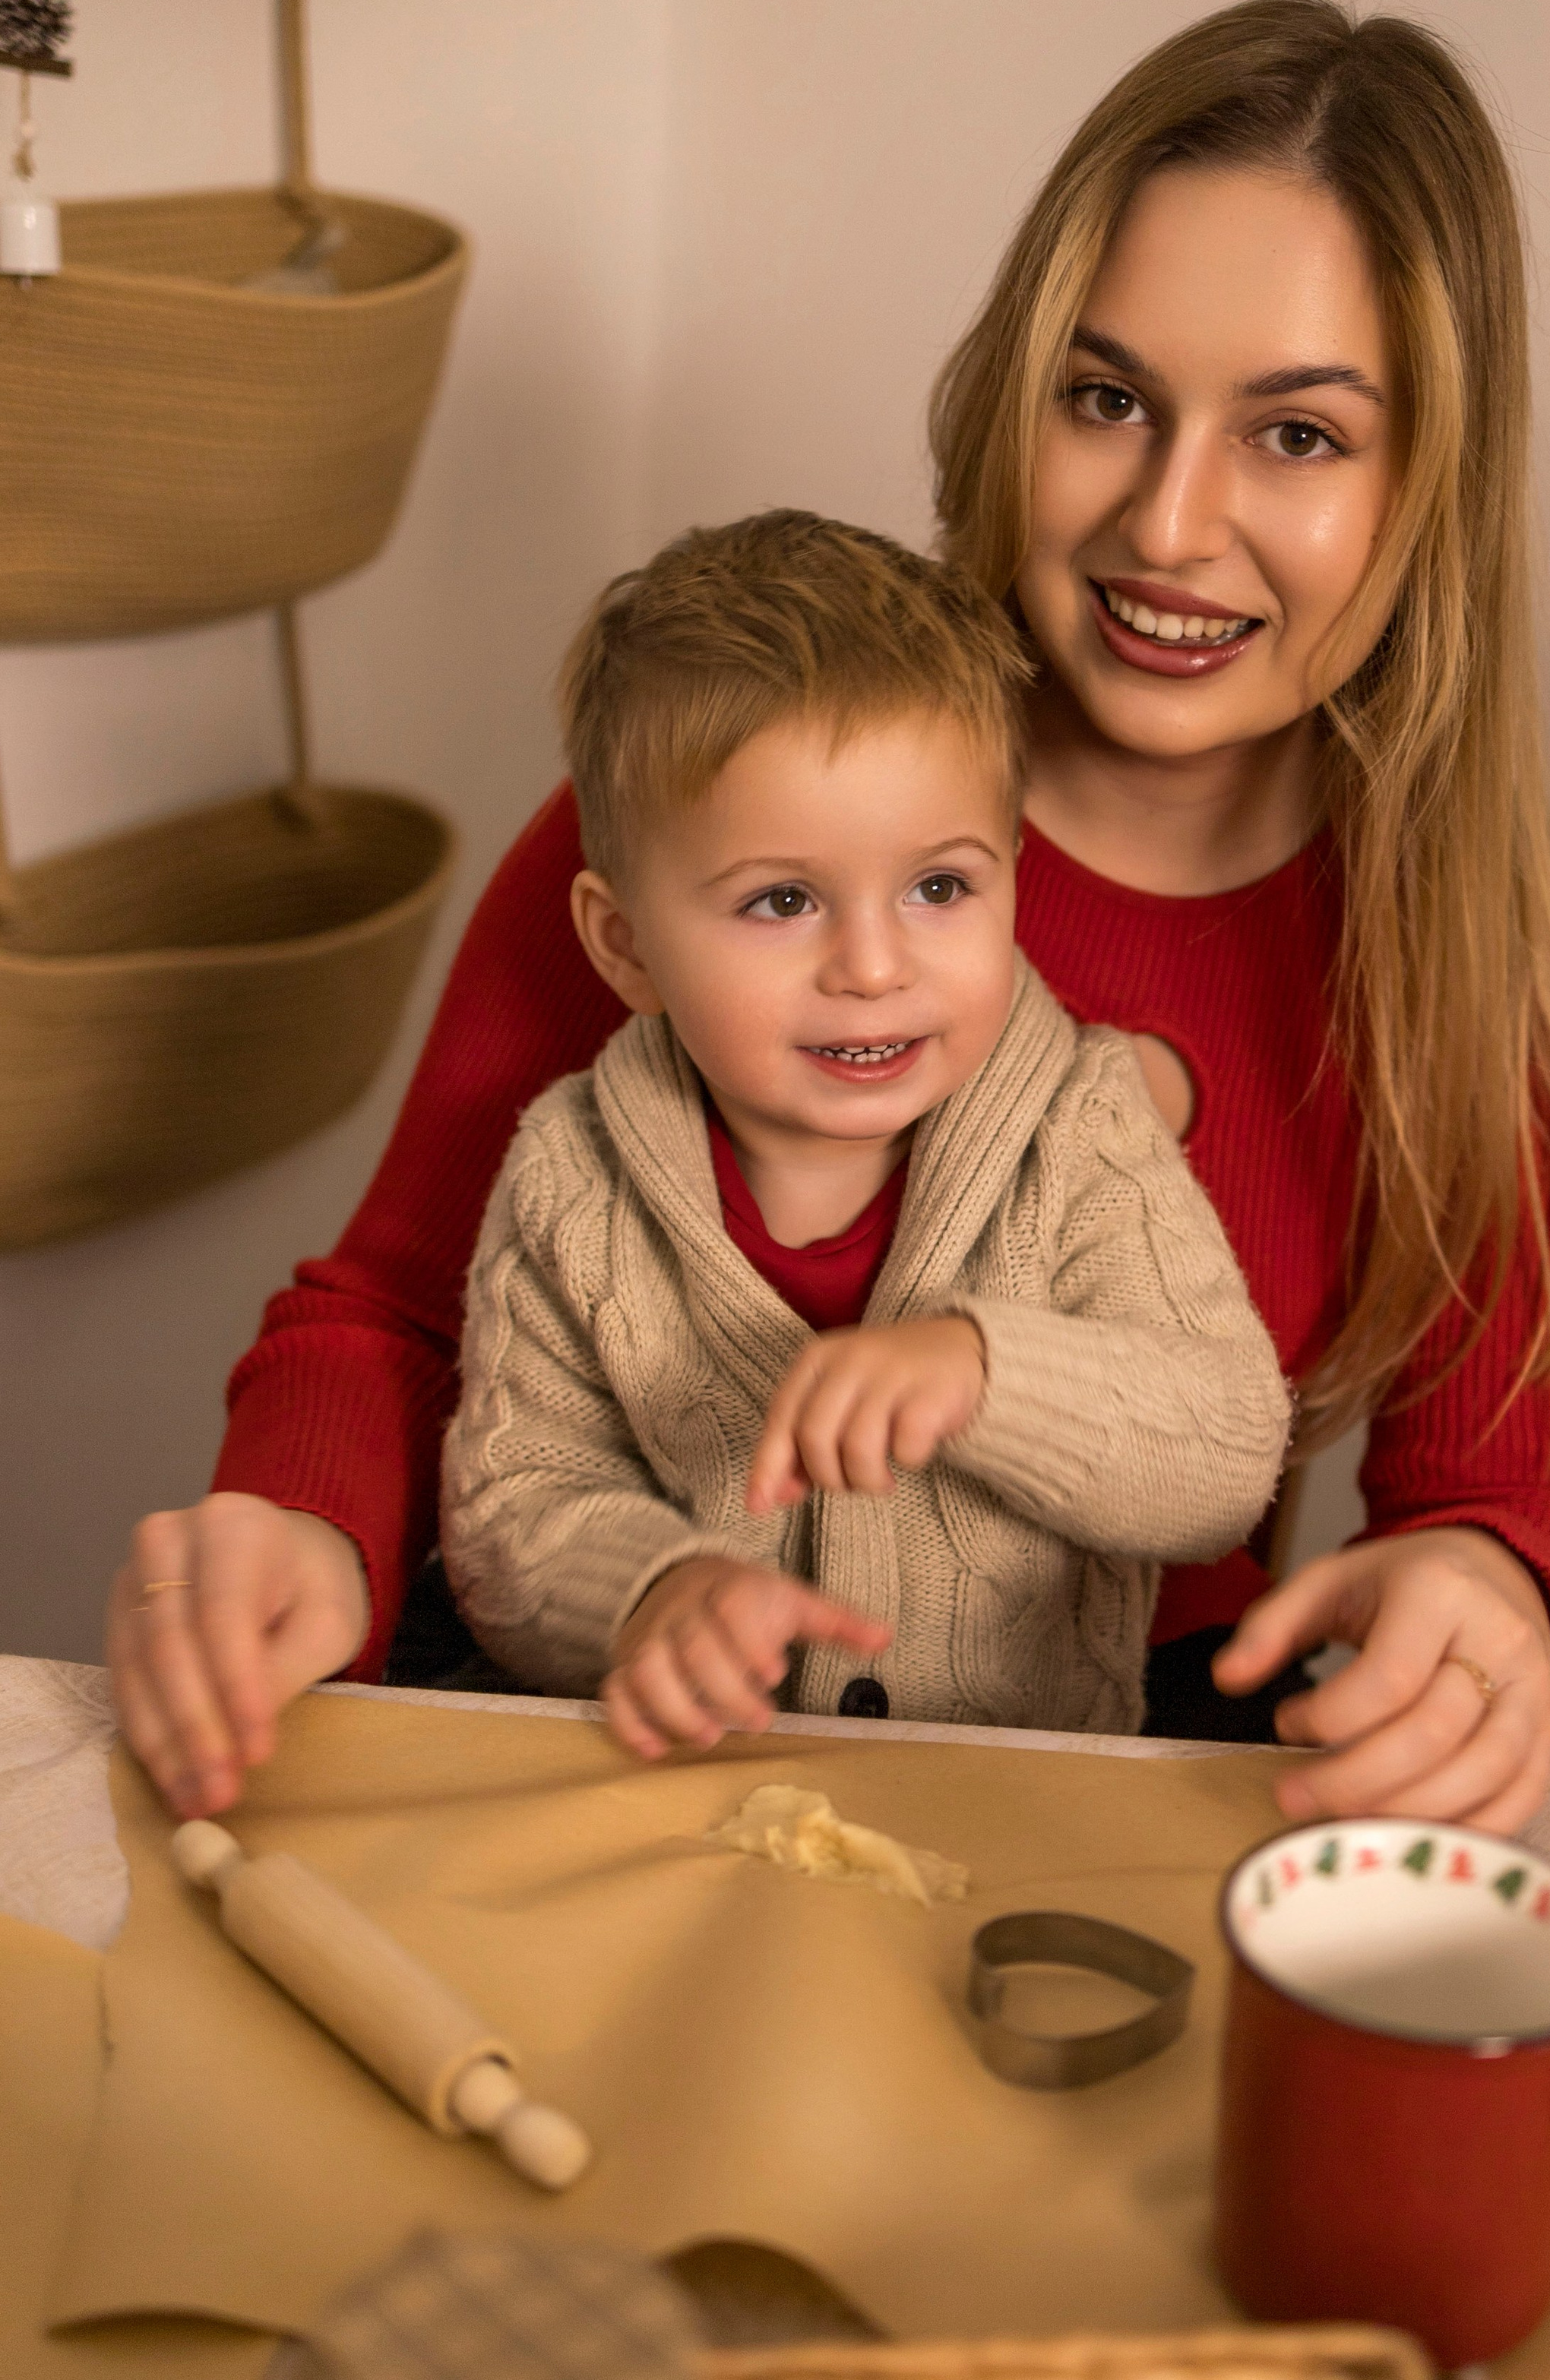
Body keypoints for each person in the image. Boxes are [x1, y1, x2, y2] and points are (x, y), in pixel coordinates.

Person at [109, 0, 1550, 1835]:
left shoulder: (1491, 968)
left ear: (1433, 484)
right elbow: (397, 1317)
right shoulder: (730, 800)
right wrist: (299, 1524)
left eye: (1297, 436)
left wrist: (1493, 1600)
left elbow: (1511, 1500)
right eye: (1104, 400)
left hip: (1074, 1790)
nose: (1168, 523)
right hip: (621, 1755)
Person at [441, 510, 1289, 1750]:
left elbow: (1227, 1454)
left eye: (940, 888)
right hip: (696, 1794)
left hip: (1022, 1796)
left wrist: (987, 1374)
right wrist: (647, 1593)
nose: (876, 968)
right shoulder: (574, 1176)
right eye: (783, 901)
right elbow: (516, 1508)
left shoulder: (1079, 1130)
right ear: (625, 947)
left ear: (1011, 874)